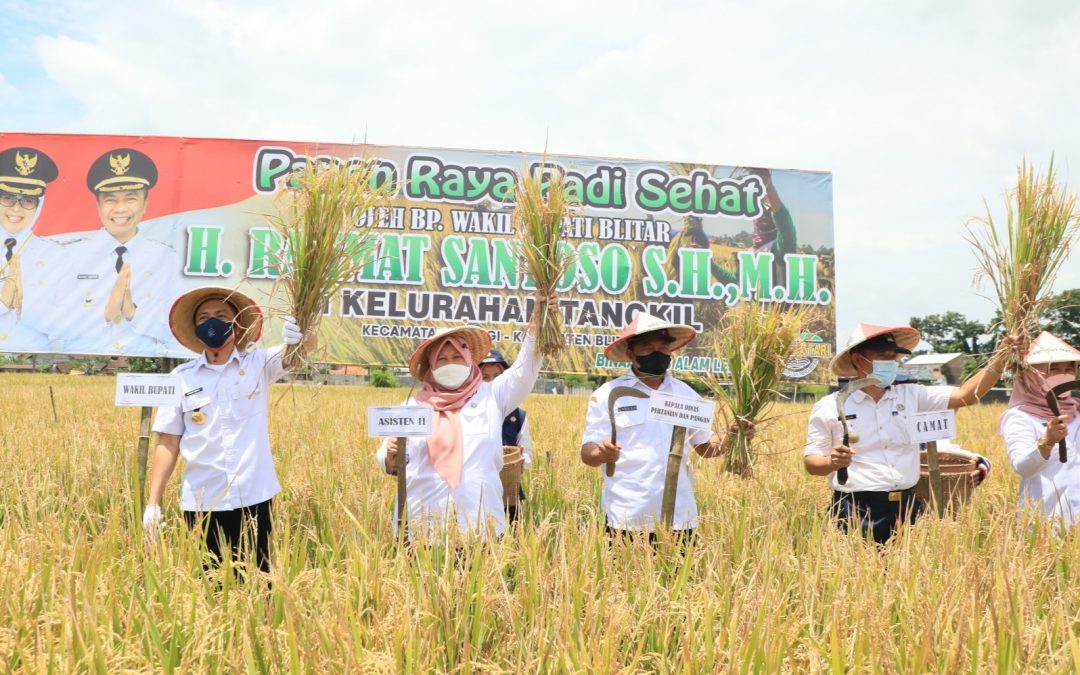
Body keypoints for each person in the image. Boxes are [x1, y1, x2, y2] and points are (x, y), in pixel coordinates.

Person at [143, 286, 314, 574]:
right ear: (197, 329)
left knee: (260, 585)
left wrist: (301, 335)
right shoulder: (181, 378)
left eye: (221, 315)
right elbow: (168, 441)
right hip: (202, 501)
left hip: (254, 497)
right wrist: (152, 503)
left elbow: (301, 350)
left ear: (236, 324)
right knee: (210, 585)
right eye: (204, 318)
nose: (212, 322)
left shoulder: (259, 364)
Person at [803, 323, 1012, 544]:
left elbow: (966, 396)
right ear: (858, 359)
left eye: (894, 358)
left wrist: (1000, 359)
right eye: (883, 356)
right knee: (856, 575)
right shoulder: (831, 406)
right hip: (855, 509)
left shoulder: (912, 395)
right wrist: (831, 462)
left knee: (906, 575)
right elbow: (811, 462)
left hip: (907, 507)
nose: (891, 363)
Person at [376, 296, 555, 540]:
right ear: (431, 366)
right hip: (423, 529)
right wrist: (390, 454)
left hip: (482, 525)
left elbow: (523, 373)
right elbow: (390, 455)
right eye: (442, 359)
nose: (451, 364)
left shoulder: (491, 395)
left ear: (470, 360)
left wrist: (537, 326)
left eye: (457, 357)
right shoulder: (413, 407)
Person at [579, 311, 742, 543]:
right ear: (630, 353)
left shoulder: (685, 394)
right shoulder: (608, 395)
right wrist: (602, 453)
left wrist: (734, 436)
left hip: (679, 516)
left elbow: (706, 447)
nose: (658, 353)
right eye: (647, 347)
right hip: (627, 515)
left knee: (681, 578)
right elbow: (588, 454)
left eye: (664, 348)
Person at [61, 148, 182, 355]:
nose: (120, 209)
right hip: (81, 368)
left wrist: (133, 313)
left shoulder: (167, 260)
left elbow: (177, 329)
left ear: (146, 204)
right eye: (110, 200)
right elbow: (55, 323)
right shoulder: (69, 257)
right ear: (98, 206)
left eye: (130, 199)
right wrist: (105, 313)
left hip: (143, 371)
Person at [1001, 331, 1080, 529]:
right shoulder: (1020, 417)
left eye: (1069, 368)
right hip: (1046, 523)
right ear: (1031, 374)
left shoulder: (1077, 411)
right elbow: (1022, 466)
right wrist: (1047, 441)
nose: (1064, 375)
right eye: (1053, 369)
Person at [0, 146, 68, 351]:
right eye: (7, 197)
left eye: (28, 200)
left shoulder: (56, 255)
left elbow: (67, 321)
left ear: (39, 205)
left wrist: (24, 306)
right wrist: (3, 303)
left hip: (34, 362)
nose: (16, 208)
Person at [479, 348, 533, 524]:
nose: (491, 383)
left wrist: (520, 460)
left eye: (497, 376)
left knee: (511, 543)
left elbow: (528, 456)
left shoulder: (518, 416)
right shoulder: (469, 413)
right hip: (477, 494)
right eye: (485, 378)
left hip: (508, 493)